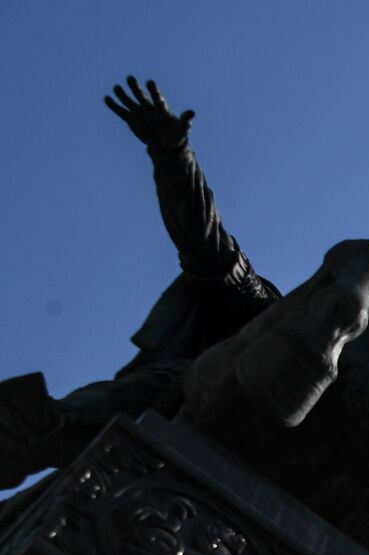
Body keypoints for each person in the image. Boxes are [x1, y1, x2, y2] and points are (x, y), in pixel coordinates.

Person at [0, 77, 280, 489]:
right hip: (172, 412)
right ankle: (30, 428)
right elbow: (204, 237)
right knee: (166, 385)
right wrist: (172, 154)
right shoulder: (264, 314)